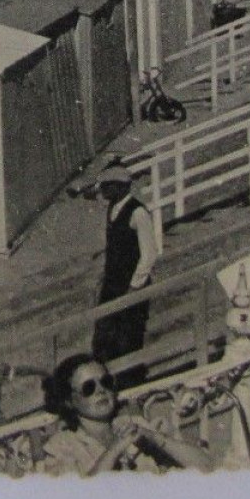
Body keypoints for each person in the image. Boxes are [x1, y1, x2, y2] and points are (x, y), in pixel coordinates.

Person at [38, 354, 216, 476]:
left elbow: (208, 468)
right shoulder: (61, 446)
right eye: (89, 388)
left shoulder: (135, 424)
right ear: (69, 401)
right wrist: (115, 449)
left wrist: (154, 438)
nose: (101, 391)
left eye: (106, 383)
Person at [91, 165, 159, 385]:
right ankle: (107, 383)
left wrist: (134, 287)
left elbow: (149, 254)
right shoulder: (112, 208)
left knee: (128, 338)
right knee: (103, 336)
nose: (103, 191)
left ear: (120, 187)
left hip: (131, 287)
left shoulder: (138, 212)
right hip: (112, 285)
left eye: (107, 186)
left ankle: (131, 385)